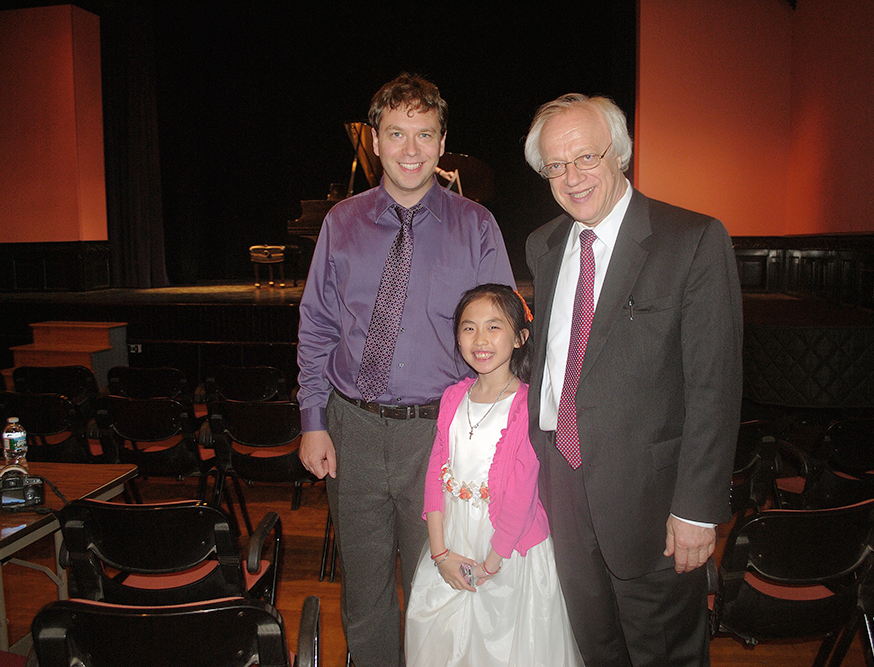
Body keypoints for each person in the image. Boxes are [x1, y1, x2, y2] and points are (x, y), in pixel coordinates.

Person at [297, 73, 514, 667]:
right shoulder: (340, 223)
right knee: (365, 597)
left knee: (439, 592)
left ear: (444, 142)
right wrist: (313, 418)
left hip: (440, 438)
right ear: (375, 141)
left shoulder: (477, 227)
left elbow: (502, 338)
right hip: (352, 430)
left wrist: (491, 439)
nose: (411, 149)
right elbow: (316, 325)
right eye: (397, 133)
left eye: (425, 134)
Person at [523, 93, 743, 666]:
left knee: (665, 654)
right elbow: (554, 360)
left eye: (587, 158)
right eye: (556, 165)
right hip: (564, 485)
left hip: (653, 502)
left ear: (620, 154)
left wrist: (698, 507)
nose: (572, 178)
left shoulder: (691, 240)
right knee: (597, 648)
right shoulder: (544, 245)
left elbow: (714, 386)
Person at [405, 283, 584, 667]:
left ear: (520, 337)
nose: (480, 339)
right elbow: (436, 474)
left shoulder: (526, 406)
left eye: (494, 327)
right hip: (450, 541)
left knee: (504, 647)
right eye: (469, 327)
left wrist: (490, 565)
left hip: (507, 549)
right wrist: (439, 552)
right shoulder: (453, 397)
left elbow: (521, 496)